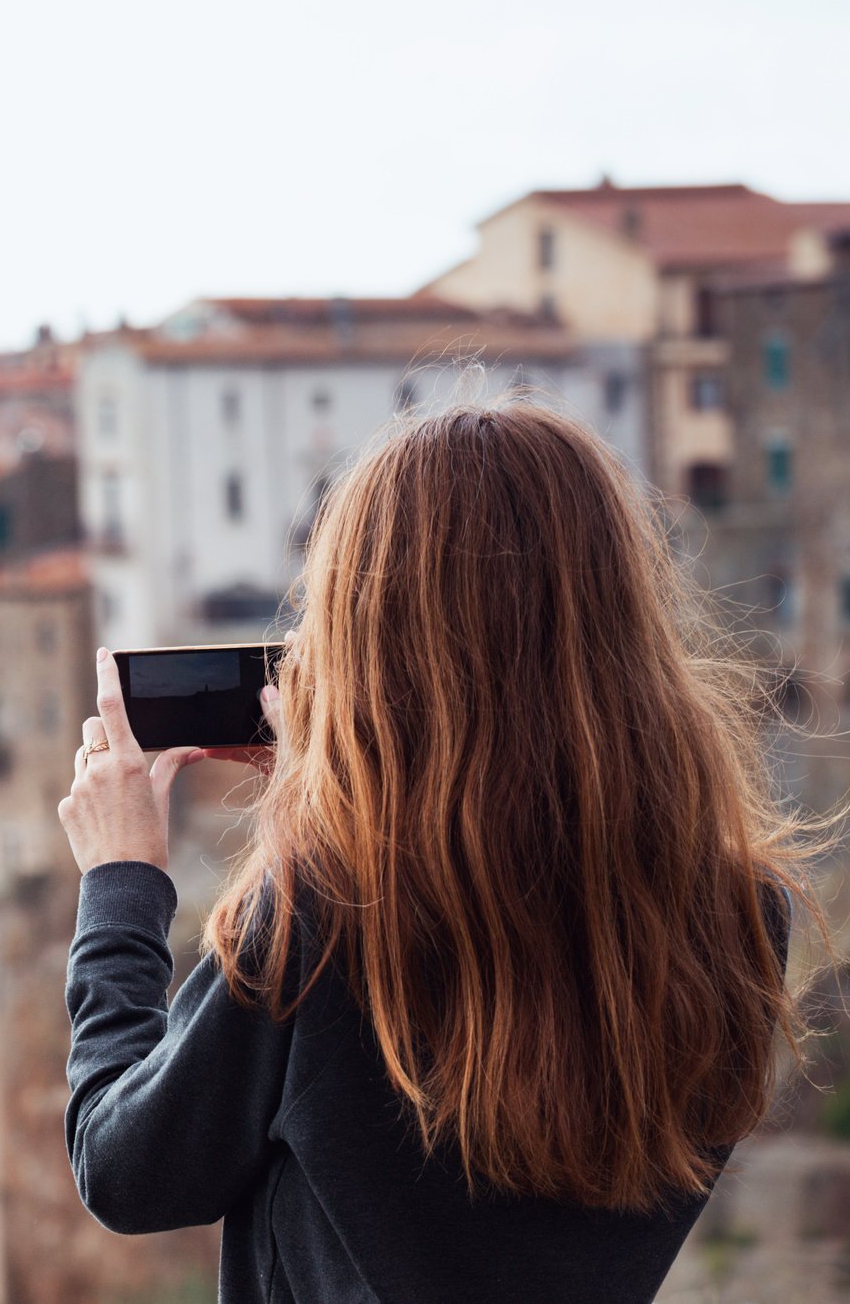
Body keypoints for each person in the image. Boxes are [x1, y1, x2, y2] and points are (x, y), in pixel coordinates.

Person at [58, 398, 823, 1303]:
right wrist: (354, 792)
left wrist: (120, 884)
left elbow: (125, 1169)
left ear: (367, 641)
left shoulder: (329, 912)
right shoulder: (743, 911)